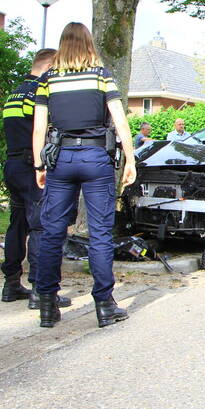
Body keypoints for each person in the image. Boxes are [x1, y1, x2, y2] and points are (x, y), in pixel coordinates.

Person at [32, 22, 136, 328]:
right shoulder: (101, 75)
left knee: (52, 232)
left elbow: (39, 128)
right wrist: (130, 160)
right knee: (100, 233)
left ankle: (47, 305)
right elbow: (120, 121)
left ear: (62, 45)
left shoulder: (48, 79)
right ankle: (104, 305)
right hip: (96, 159)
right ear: (89, 44)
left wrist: (39, 165)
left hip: (61, 159)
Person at [1, 48, 72, 310]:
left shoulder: (15, 92)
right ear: (50, 66)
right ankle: (40, 290)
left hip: (12, 164)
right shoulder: (40, 92)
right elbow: (46, 130)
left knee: (17, 225)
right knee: (41, 226)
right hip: (32, 166)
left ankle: (11, 283)